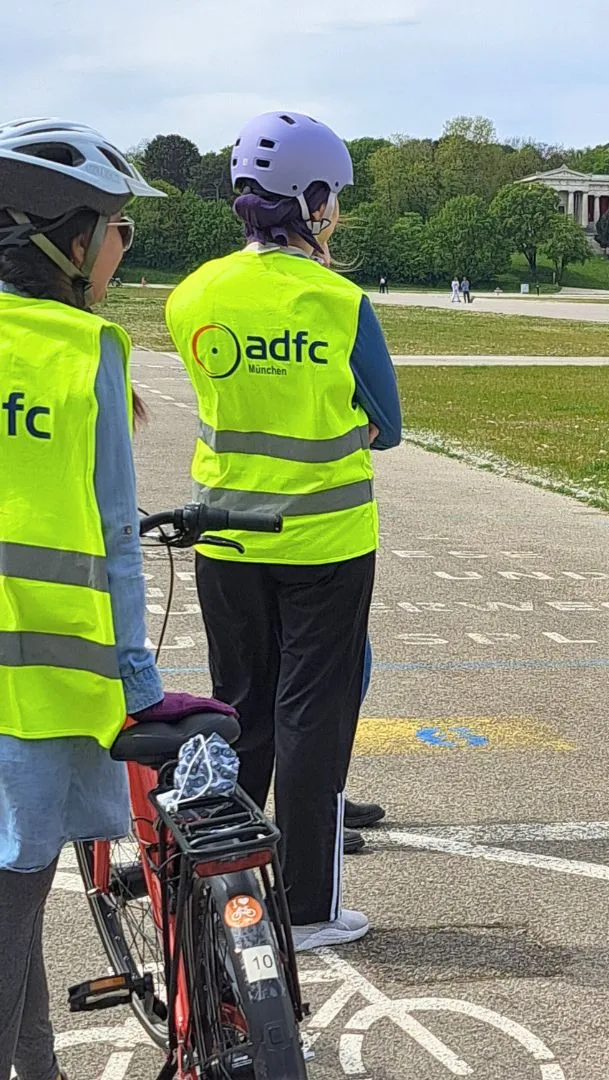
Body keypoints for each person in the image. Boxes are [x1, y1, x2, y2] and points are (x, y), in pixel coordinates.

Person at [0, 117, 236, 1080]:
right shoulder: (77, 349)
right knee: (12, 905)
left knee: (15, 930)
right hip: (38, 691)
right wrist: (138, 681)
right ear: (65, 234)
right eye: (117, 225)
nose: (124, 245)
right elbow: (111, 544)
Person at [165, 111, 402, 951]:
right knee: (314, 714)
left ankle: (221, 878)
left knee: (239, 709)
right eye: (329, 196)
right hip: (325, 541)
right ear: (309, 200)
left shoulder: (191, 293)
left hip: (225, 534)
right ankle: (306, 909)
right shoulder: (340, 302)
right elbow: (390, 422)